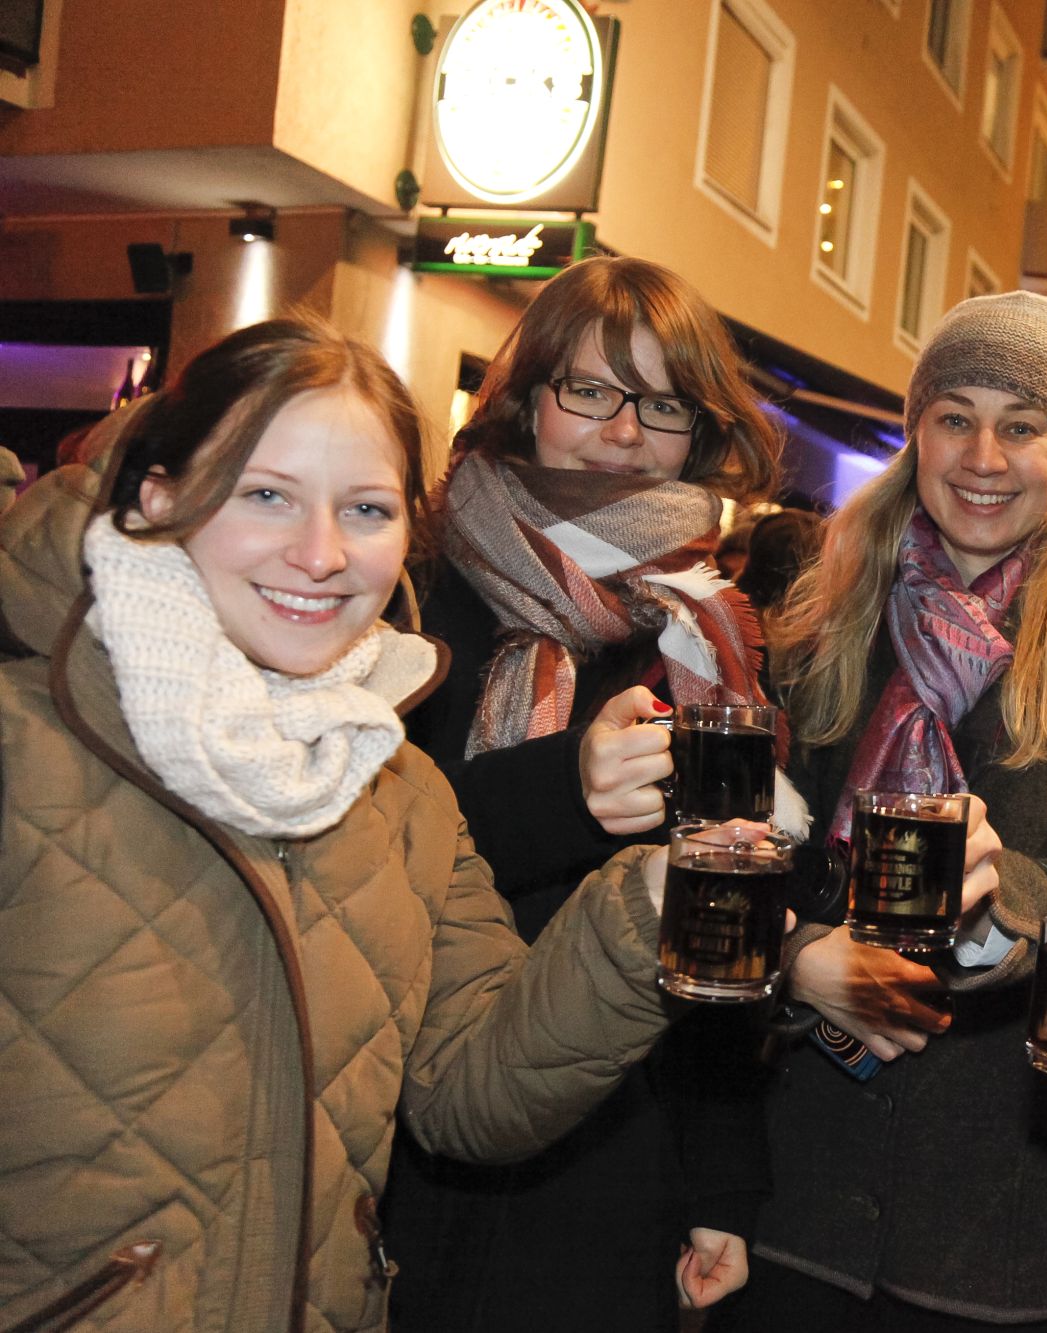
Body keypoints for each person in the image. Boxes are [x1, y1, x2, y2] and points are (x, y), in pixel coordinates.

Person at [0, 318, 682, 1332]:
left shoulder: (394, 783)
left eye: (364, 508)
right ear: (157, 497)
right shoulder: (26, 746)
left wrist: (644, 920)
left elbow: (470, 1091)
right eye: (264, 494)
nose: (319, 555)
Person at [705, 290, 1047, 1332]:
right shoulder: (829, 609)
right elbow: (753, 857)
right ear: (915, 431)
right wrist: (796, 957)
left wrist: (993, 905)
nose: (983, 453)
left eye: (1021, 425)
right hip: (796, 1185)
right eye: (953, 416)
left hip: (998, 1217)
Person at [383, 256, 790, 1330]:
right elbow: (354, 853)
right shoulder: (404, 586)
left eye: (662, 404)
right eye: (589, 390)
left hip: (618, 1150)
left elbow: (719, 935)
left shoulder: (709, 635)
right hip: (401, 1126)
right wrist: (560, 790)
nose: (622, 432)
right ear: (524, 399)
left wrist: (721, 1188)